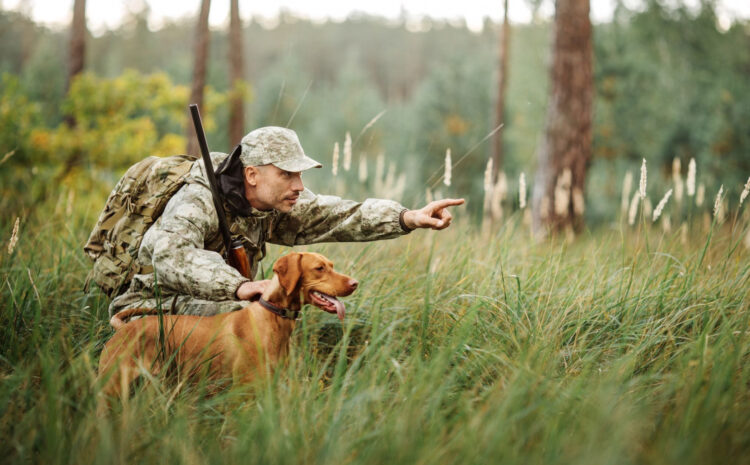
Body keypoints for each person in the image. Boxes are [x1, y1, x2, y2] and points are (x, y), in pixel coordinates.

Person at [109, 126, 464, 317]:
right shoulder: (199, 198)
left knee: (262, 312)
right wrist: (240, 287)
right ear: (251, 174)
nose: (299, 186)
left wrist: (407, 217)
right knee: (247, 312)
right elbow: (170, 255)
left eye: (300, 174)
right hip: (150, 303)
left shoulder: (275, 202)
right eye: (287, 175)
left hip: (214, 302)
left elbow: (339, 215)